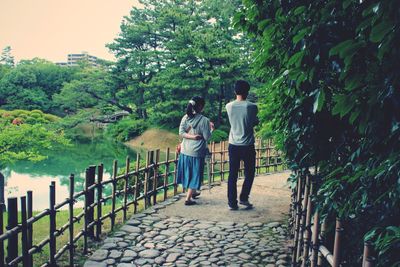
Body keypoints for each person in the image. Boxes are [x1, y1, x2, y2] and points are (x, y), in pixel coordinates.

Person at [226, 80, 258, 210]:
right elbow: (254, 122)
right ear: (247, 92)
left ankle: (232, 202)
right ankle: (244, 198)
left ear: (235, 91)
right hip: (247, 145)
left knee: (232, 174)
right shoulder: (252, 106)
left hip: (233, 144)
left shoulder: (229, 106)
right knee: (249, 173)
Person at [177, 96, 213, 205]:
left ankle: (192, 192)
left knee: (188, 172)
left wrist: (192, 137)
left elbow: (181, 133)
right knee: (195, 173)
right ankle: (188, 199)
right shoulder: (204, 120)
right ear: (201, 106)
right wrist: (211, 129)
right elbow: (207, 137)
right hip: (197, 152)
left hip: (185, 150)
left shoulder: (185, 118)